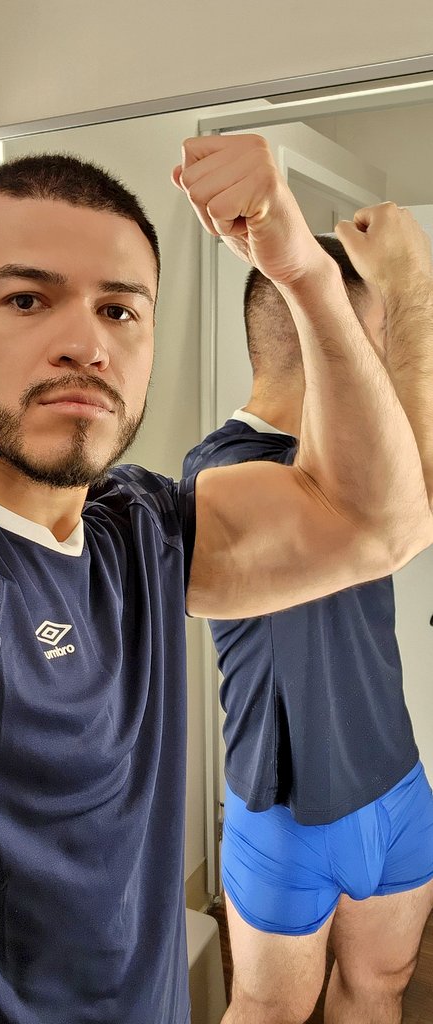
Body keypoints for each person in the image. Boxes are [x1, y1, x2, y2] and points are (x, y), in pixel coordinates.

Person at [0, 135, 430, 1024]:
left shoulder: (140, 527)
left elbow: (377, 525)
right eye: (26, 299)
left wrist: (303, 274)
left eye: (119, 310)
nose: (85, 344)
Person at [183, 213, 433, 1024]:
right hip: (288, 818)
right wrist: (409, 284)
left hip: (396, 784)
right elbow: (409, 507)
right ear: (335, 343)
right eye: (376, 342)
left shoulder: (364, 471)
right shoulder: (222, 475)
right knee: (268, 1011)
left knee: (380, 987)